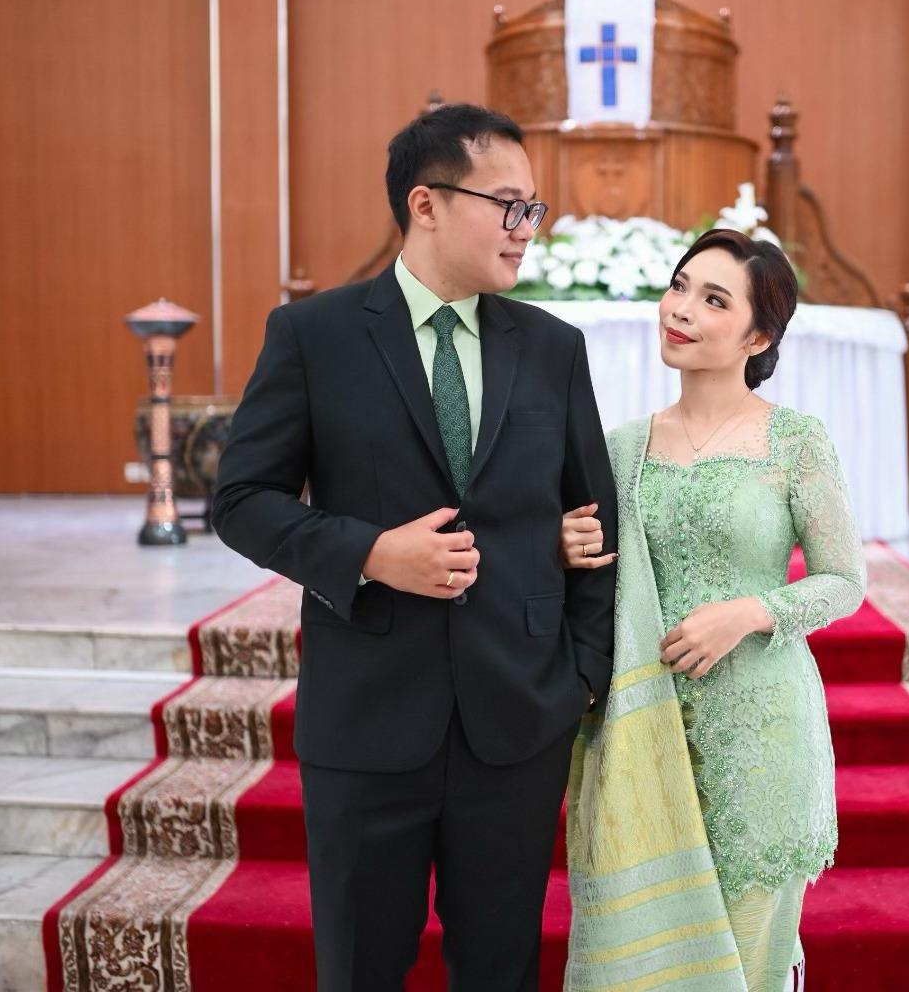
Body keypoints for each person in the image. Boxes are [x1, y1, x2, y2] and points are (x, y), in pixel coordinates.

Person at [211, 103, 617, 992]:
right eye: (507, 205)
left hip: (517, 721)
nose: (526, 228)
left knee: (501, 971)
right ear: (426, 203)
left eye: (533, 208)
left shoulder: (552, 349)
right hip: (366, 718)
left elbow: (595, 519)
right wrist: (369, 554)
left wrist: (581, 676)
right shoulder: (314, 337)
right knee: (360, 970)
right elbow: (240, 502)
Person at [560, 229, 863, 991]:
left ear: (758, 336)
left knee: (749, 956)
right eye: (680, 286)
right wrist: (564, 547)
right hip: (642, 731)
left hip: (760, 733)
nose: (682, 309)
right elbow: (595, 579)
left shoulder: (795, 443)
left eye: (714, 299)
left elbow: (843, 581)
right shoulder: (621, 448)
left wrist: (750, 612)